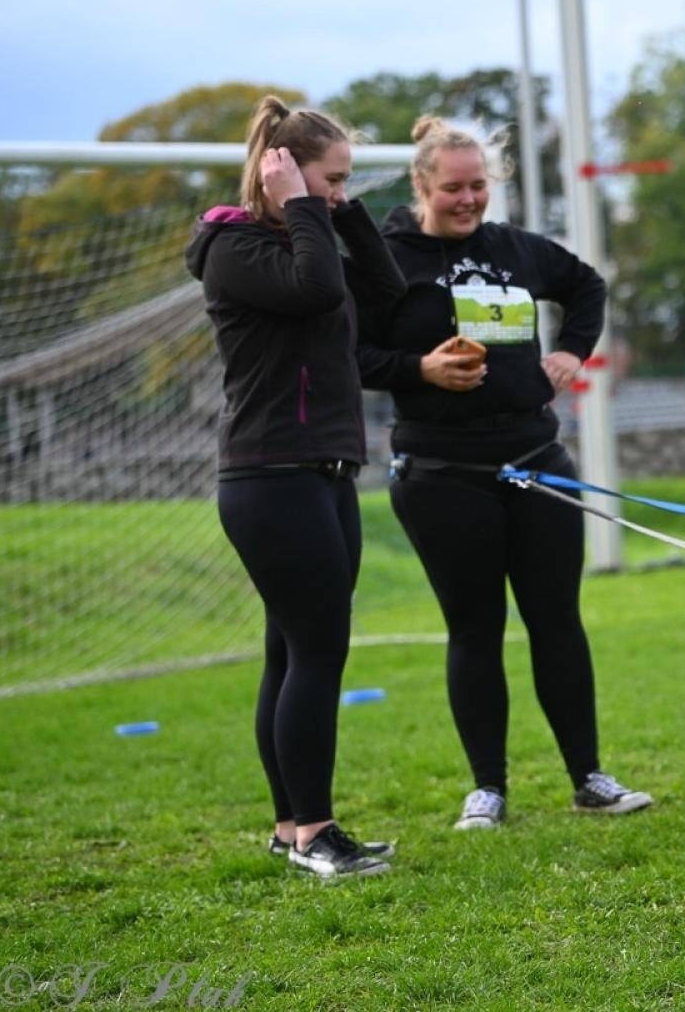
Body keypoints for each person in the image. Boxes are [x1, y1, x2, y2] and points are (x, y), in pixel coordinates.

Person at [357, 116, 652, 829]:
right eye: (453, 187)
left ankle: (590, 777)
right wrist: (420, 369)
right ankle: (488, 788)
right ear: (422, 185)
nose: (468, 200)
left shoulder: (514, 249)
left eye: (479, 186)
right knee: (475, 627)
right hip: (441, 471)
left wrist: (572, 354)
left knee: (557, 620)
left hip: (537, 461)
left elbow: (586, 286)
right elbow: (350, 356)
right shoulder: (384, 258)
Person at [185, 95, 406, 878]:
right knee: (318, 651)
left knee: (291, 652)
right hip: (271, 474)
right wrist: (304, 211)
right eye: (331, 178)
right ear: (283, 174)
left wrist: (337, 213)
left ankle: (291, 829)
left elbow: (385, 297)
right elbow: (313, 289)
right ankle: (314, 832)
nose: (341, 193)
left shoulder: (312, 235)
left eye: (347, 181)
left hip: (325, 473)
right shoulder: (234, 247)